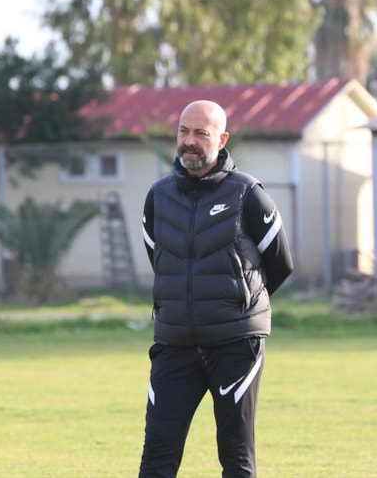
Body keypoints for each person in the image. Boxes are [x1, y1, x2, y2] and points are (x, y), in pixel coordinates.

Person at [138, 100, 294, 478]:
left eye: (201, 133)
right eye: (183, 131)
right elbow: (159, 261)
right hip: (175, 345)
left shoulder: (248, 193)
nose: (189, 141)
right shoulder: (158, 197)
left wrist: (238, 307)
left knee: (236, 456)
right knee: (157, 454)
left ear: (222, 140)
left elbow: (280, 263)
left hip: (234, 345)